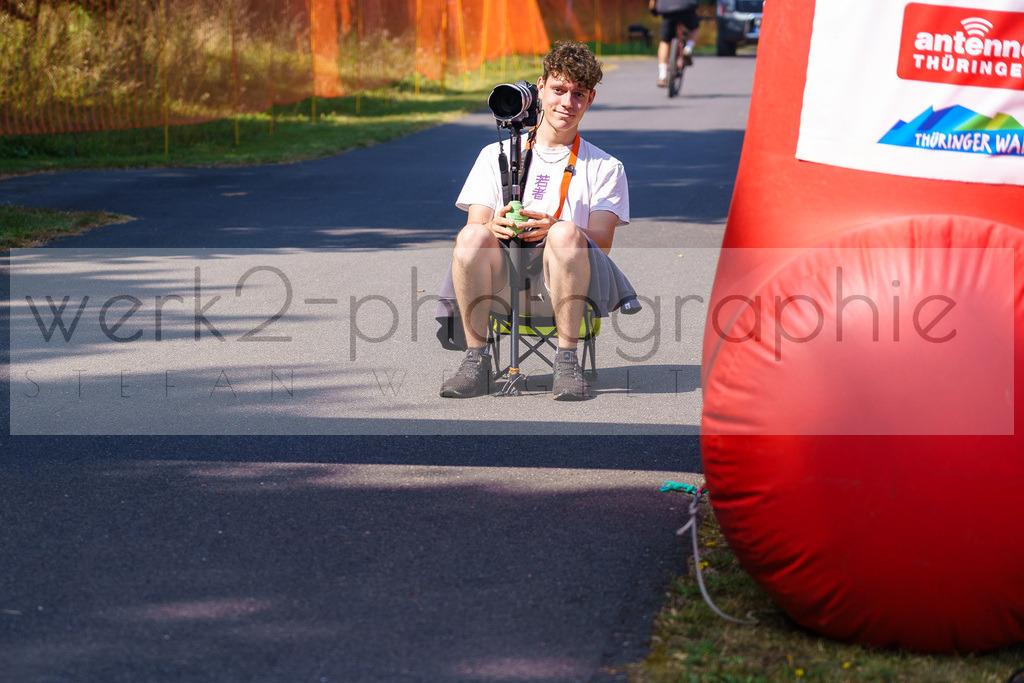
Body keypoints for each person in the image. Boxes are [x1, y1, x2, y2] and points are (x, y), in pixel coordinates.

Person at [435, 41, 639, 401]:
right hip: (501, 283)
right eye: (559, 90)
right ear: (540, 88)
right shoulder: (495, 154)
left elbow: (603, 243)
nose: (567, 103)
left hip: (571, 281)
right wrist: (493, 226)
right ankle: (475, 360)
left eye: (578, 94)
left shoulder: (606, 166)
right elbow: (476, 227)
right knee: (471, 236)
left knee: (563, 232)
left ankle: (566, 360)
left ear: (590, 100)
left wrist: (554, 226)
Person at [650, 0, 702, 87]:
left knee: (665, 42)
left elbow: (652, 4)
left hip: (668, 10)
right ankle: (688, 49)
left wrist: (652, 7)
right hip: (687, 8)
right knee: (694, 29)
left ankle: (662, 76)